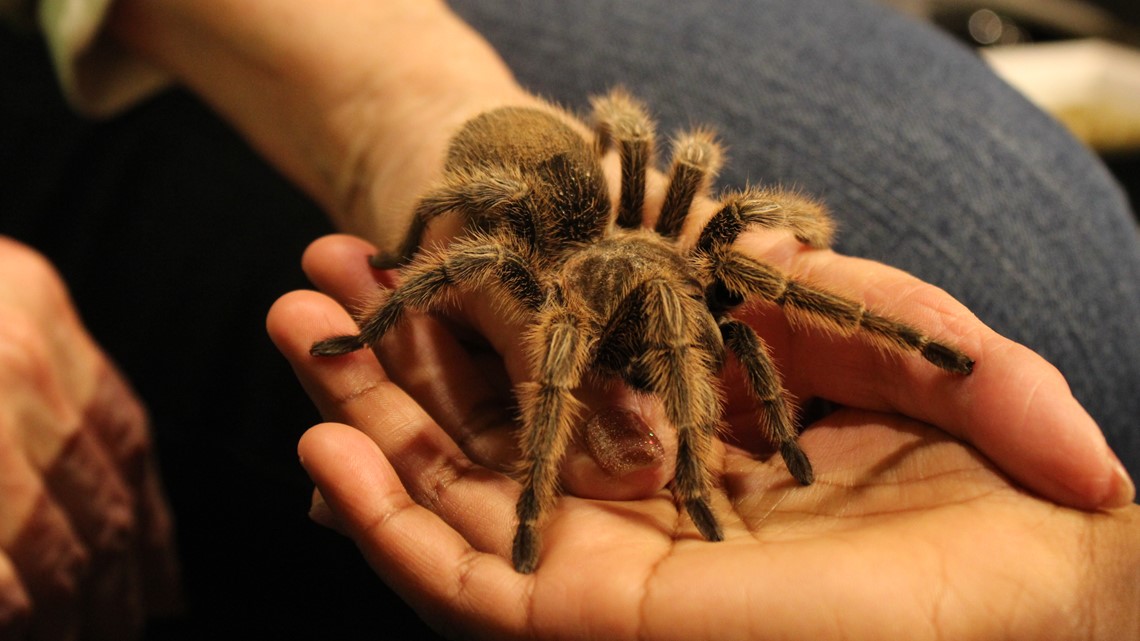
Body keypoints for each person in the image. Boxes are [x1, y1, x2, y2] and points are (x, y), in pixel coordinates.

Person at [1, 0, 1137, 639]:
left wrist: (395, 108)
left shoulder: (687, 259)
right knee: (1037, 281)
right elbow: (480, 236)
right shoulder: (526, 249)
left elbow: (695, 181)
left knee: (1010, 292)